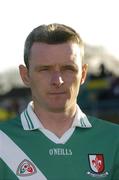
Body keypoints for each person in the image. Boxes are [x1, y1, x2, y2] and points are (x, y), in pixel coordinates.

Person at [0, 23, 119, 180]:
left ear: (83, 74)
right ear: (25, 75)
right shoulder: (3, 139)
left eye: (68, 69)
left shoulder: (114, 139)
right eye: (44, 69)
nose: (58, 80)